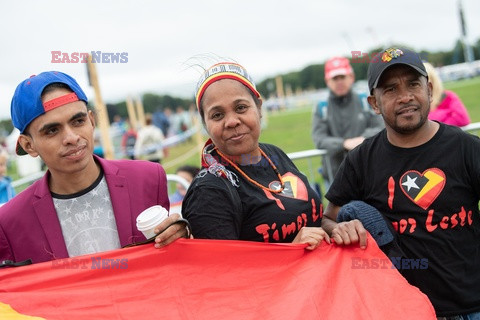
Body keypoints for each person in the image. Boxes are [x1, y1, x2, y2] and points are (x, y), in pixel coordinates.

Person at [321, 47, 480, 318]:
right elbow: (327, 219)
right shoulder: (361, 160)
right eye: (391, 89)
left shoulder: (465, 148)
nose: (405, 96)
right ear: (374, 103)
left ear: (429, 89)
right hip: (403, 309)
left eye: (413, 84)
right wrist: (342, 228)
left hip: (473, 305)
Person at [0, 71, 188, 267]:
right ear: (29, 145)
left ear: (91, 121)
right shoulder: (10, 222)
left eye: (78, 121)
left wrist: (182, 236)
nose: (72, 137)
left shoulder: (147, 179)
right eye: (52, 130)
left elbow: (171, 262)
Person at [182, 62, 329, 250]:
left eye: (241, 107)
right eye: (217, 115)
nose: (232, 121)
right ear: (205, 124)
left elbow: (312, 219)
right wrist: (291, 250)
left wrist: (335, 227)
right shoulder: (208, 192)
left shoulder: (273, 154)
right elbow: (223, 273)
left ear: (258, 107)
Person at [312, 56, 383, 183]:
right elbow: (319, 139)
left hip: (369, 172)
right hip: (336, 177)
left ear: (351, 77)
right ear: (327, 81)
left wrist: (363, 139)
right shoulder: (321, 106)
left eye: (342, 77)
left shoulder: (366, 100)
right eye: (335, 78)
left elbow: (381, 128)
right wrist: (344, 144)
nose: (339, 82)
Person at [424, 62, 471, 127]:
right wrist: (447, 113)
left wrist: (435, 123)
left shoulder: (448, 96)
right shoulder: (414, 101)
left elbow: (463, 119)